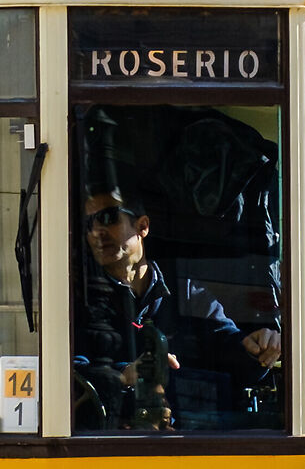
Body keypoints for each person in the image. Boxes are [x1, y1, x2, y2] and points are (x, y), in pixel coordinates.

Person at [75, 183, 280, 430]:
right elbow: (67, 375)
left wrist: (256, 349)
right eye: (89, 224)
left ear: (143, 226)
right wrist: (123, 376)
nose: (97, 231)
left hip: (186, 443)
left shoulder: (185, 293)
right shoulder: (80, 300)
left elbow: (228, 348)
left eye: (107, 218)